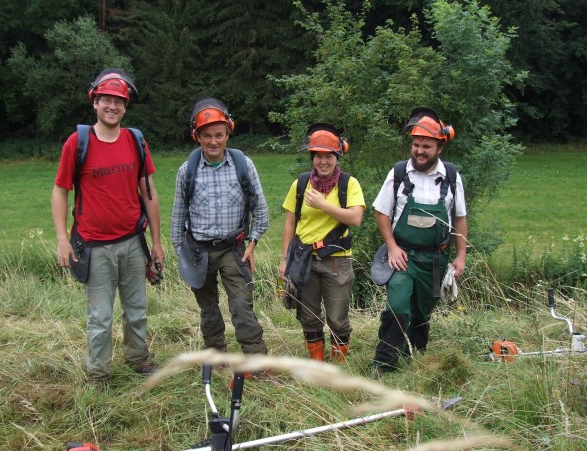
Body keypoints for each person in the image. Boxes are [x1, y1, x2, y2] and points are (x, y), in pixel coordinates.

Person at [51, 68, 164, 382]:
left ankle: (138, 359)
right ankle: (99, 374)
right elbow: (60, 191)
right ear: (95, 102)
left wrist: (156, 241)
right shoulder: (78, 142)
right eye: (106, 100)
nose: (112, 106)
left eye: (119, 101)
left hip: (132, 242)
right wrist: (62, 238)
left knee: (137, 309)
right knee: (100, 317)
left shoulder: (136, 141)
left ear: (125, 106)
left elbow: (149, 193)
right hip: (94, 246)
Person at [371, 107, 467, 376]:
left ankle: (414, 355)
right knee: (398, 305)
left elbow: (459, 218)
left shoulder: (450, 177)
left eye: (426, 145)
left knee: (422, 312)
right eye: (416, 144)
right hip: (404, 257)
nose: (419, 150)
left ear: (440, 148)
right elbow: (380, 212)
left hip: (436, 259)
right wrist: (391, 246)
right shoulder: (399, 173)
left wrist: (461, 256)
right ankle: (384, 363)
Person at [171, 98, 269, 357]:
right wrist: (180, 251)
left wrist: (253, 242)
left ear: (228, 134)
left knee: (241, 304)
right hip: (197, 250)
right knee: (208, 309)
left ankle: (256, 362)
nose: (213, 141)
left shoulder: (243, 165)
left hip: (232, 249)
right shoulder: (187, 171)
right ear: (197, 137)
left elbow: (260, 209)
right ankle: (215, 358)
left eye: (219, 135)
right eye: (207, 136)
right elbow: (177, 216)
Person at [279, 124, 365, 362]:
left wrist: (323, 205)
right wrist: (284, 260)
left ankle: (338, 367)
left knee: (337, 318)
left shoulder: (349, 184)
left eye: (328, 156)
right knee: (308, 316)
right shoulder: (301, 184)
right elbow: (289, 223)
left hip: (337, 261)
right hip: (304, 260)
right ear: (312, 157)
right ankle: (317, 365)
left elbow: (356, 218)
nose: (323, 161)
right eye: (318, 156)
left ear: (337, 157)